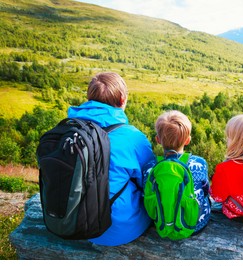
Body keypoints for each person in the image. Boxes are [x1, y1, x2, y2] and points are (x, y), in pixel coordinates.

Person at [67, 72, 155, 246]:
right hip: (118, 230)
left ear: (89, 98)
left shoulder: (68, 130)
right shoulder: (132, 137)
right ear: (122, 99)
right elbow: (149, 180)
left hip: (70, 222)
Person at [153, 110, 211, 233]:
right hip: (196, 224)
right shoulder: (199, 163)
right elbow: (206, 190)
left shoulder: (152, 166)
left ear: (157, 140)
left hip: (161, 223)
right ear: (188, 140)